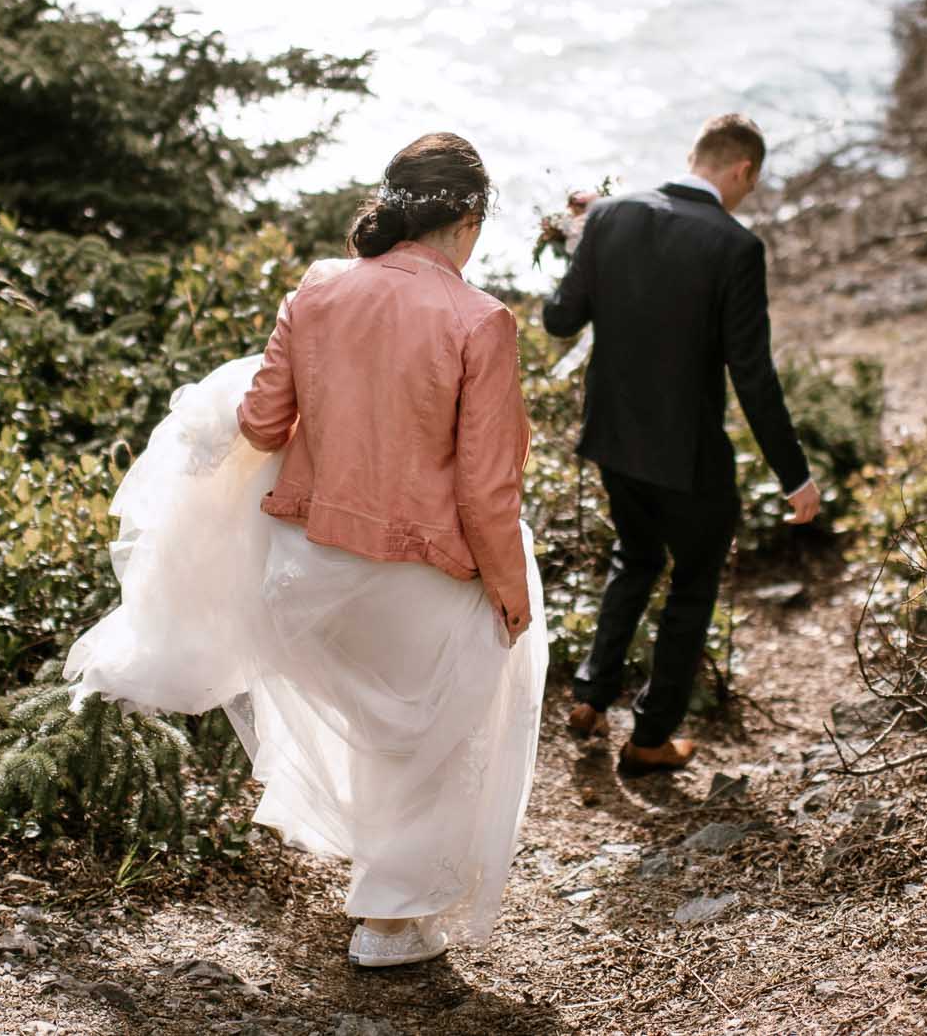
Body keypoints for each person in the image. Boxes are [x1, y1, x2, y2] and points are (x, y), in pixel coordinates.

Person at [64, 132, 547, 969]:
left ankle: (383, 886)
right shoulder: (482, 321)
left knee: (378, 726)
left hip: (305, 572)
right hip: (416, 576)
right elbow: (486, 489)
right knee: (444, 728)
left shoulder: (316, 295)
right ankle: (391, 923)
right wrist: (510, 590)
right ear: (469, 218)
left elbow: (258, 424)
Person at [543, 113, 821, 776]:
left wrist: (585, 237)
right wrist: (795, 475)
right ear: (743, 171)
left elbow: (558, 319)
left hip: (612, 438)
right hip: (689, 458)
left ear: (692, 155)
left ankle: (589, 695)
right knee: (691, 586)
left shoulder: (609, 218)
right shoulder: (735, 246)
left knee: (634, 558)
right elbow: (752, 376)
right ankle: (648, 737)